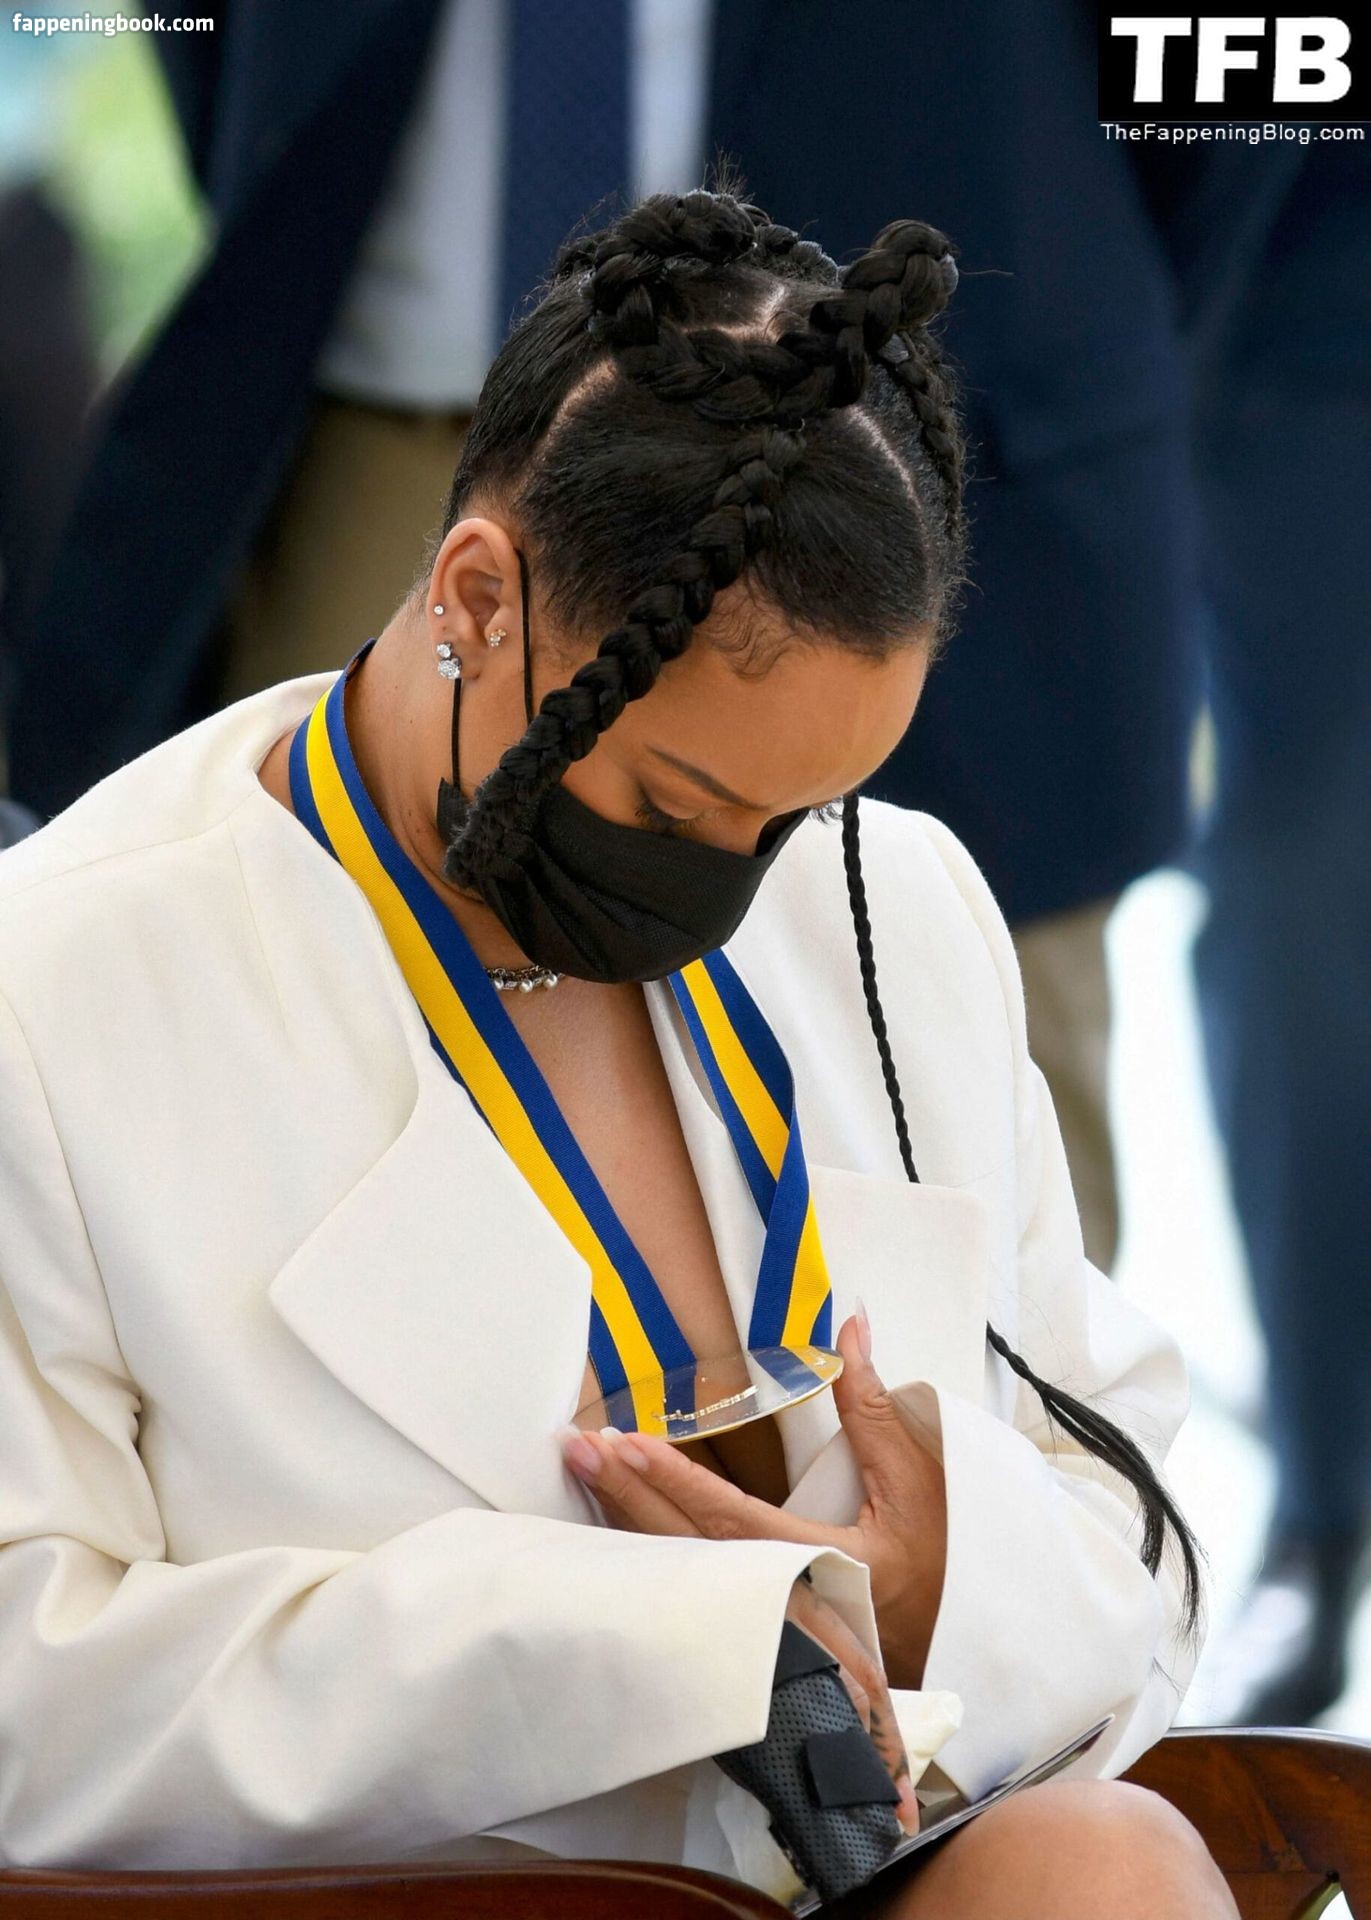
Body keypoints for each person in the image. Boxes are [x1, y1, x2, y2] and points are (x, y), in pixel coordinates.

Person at [0, 187, 1232, 1917]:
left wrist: (935, 1578)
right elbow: (28, 1697)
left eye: (798, 815)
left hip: (882, 1870)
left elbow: (1140, 1514)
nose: (736, 889)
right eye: (675, 803)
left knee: (1101, 1866)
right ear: (478, 595)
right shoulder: (61, 998)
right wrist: (647, 1650)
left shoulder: (898, 909)